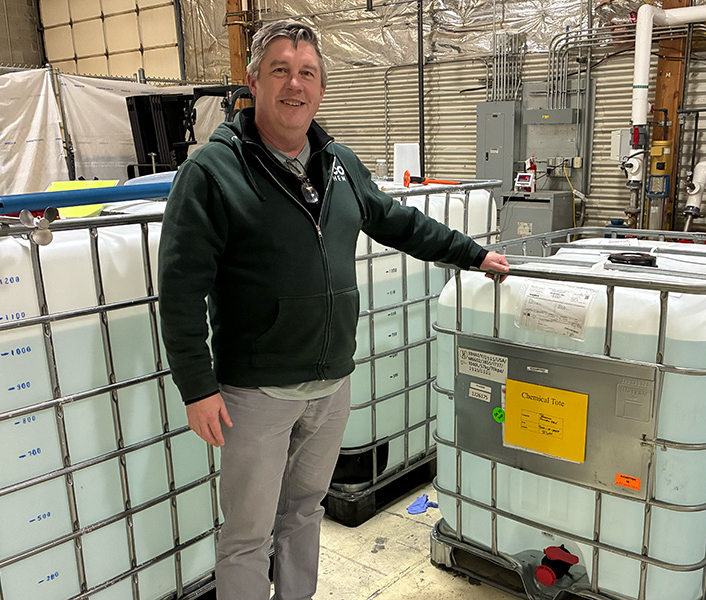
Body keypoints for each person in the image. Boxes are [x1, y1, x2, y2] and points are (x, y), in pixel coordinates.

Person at [157, 19, 509, 600]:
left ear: (320, 87)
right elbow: (179, 288)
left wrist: (473, 255)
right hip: (256, 393)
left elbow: (400, 222)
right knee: (247, 535)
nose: (294, 85)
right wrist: (197, 388)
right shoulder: (212, 173)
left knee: (302, 514)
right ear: (253, 82)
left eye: (307, 73)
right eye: (280, 71)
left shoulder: (339, 163)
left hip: (331, 385)